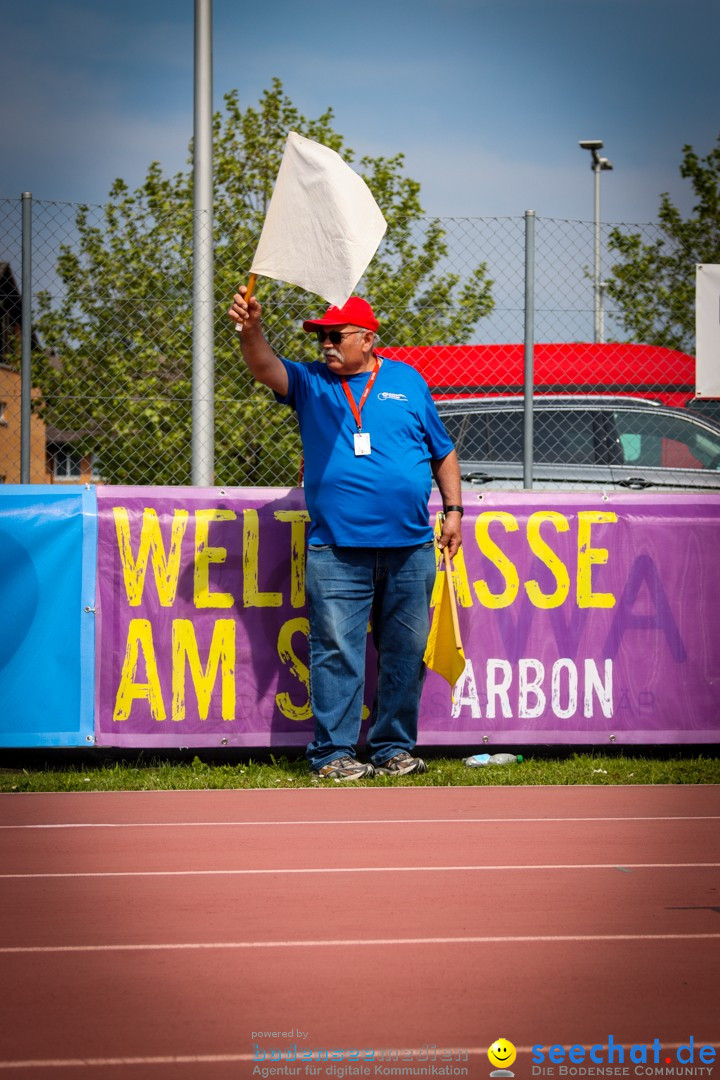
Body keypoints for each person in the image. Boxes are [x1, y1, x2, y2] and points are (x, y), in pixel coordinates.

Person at [228, 289, 463, 780]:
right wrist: (251, 329)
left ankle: (392, 748)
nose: (326, 346)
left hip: (411, 548)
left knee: (403, 652)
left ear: (368, 339)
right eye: (320, 338)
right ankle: (333, 754)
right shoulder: (312, 383)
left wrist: (454, 510)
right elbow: (265, 366)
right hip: (337, 549)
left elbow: (442, 451)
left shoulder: (407, 382)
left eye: (336, 336)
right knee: (336, 651)